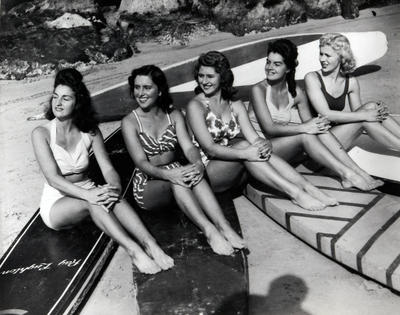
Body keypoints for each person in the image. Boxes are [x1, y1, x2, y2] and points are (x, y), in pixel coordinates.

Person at [32, 68, 174, 275]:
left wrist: (114, 188)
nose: (58, 103)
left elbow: (107, 168)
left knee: (114, 197)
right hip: (58, 200)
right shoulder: (41, 133)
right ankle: (133, 250)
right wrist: (90, 194)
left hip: (88, 191)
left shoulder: (90, 131)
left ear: (77, 102)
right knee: (94, 200)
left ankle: (151, 245)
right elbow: (53, 179)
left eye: (65, 98)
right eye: (55, 97)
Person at [186, 50, 338, 212]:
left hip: (236, 164)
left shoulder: (233, 104)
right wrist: (246, 153)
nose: (204, 81)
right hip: (210, 172)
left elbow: (253, 137)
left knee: (253, 145)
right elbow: (210, 149)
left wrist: (262, 144)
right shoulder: (196, 106)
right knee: (244, 145)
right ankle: (295, 193)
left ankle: (309, 188)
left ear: (222, 76)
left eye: (210, 76)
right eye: (201, 76)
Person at [121, 65, 245, 256]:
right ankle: (209, 231)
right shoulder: (130, 122)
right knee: (178, 179)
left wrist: (197, 163)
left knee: (193, 171)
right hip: (148, 182)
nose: (140, 93)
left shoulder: (174, 115)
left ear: (160, 90)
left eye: (147, 88)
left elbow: (188, 147)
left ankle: (223, 226)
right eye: (137, 88)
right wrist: (168, 174)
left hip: (175, 172)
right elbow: (141, 162)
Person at [247, 38, 382, 191]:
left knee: (319, 126)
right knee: (307, 132)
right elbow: (270, 128)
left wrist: (313, 126)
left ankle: (356, 171)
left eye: (277, 64)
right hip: (262, 151)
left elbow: (314, 125)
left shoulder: (297, 92)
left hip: (285, 150)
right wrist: (305, 127)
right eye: (268, 62)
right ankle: (346, 174)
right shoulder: (258, 89)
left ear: (289, 68)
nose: (270, 68)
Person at [305, 33, 400, 152]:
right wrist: (366, 115)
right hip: (318, 141)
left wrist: (375, 113)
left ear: (341, 57)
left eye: (328, 55)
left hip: (339, 136)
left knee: (373, 106)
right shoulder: (312, 78)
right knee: (365, 118)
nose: (322, 59)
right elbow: (326, 114)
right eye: (321, 54)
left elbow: (359, 112)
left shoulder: (351, 82)